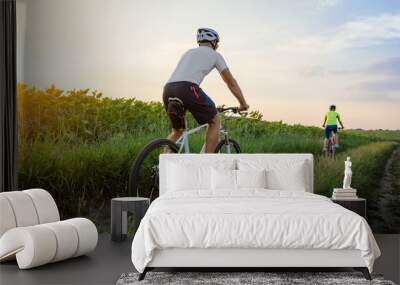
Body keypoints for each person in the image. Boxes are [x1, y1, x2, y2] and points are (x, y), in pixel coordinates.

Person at [162, 28, 249, 153]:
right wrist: (243, 103)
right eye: (217, 43)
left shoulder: (188, 53)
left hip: (168, 89)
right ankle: (207, 161)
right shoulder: (215, 55)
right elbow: (230, 82)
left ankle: (161, 166)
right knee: (214, 120)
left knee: (177, 130)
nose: (217, 46)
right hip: (188, 88)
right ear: (213, 42)